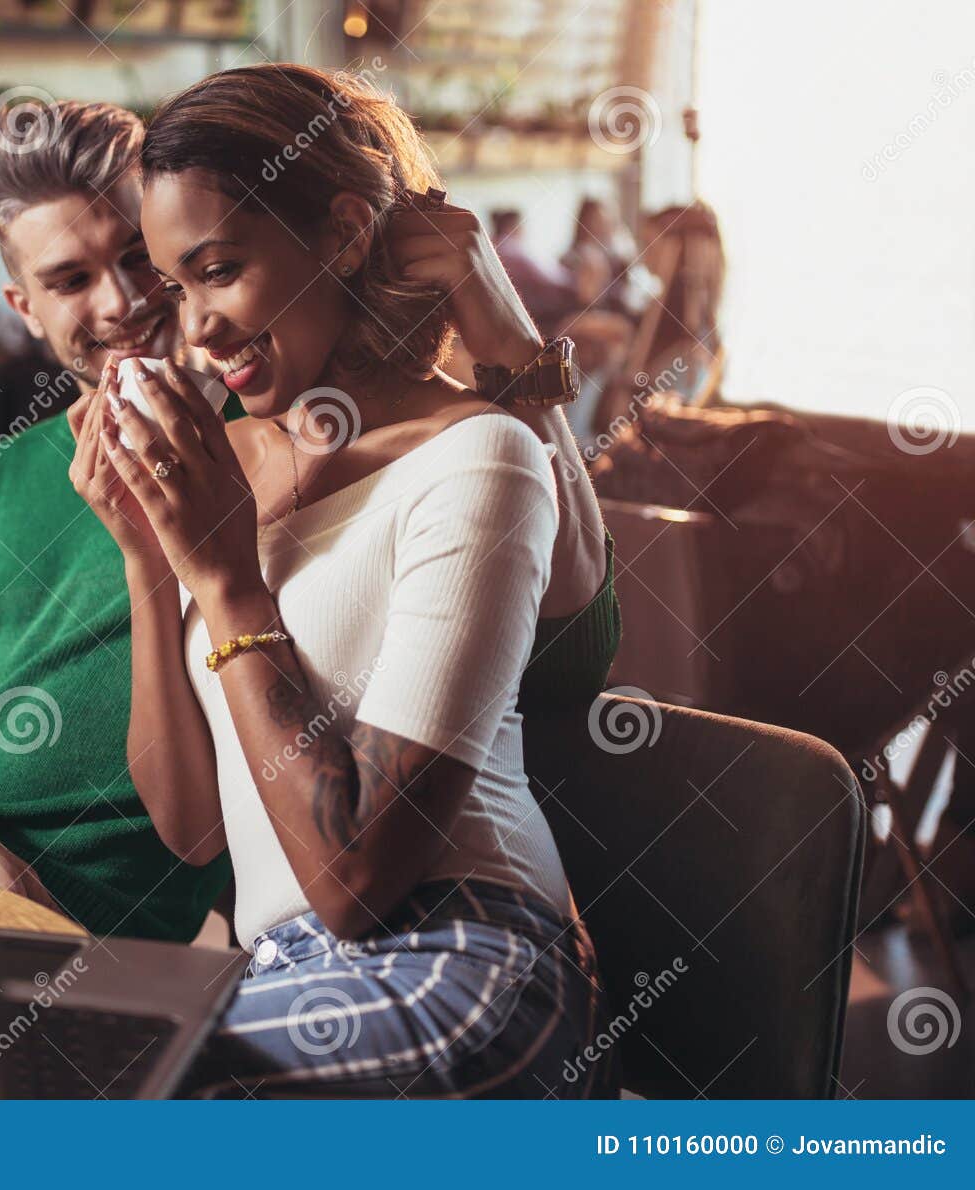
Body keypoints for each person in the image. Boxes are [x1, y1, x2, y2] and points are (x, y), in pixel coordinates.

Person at [0, 100, 620, 949]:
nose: (125, 303)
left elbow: (567, 660)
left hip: (132, 947)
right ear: (24, 308)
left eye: (145, 260)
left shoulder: (287, 445)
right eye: (69, 281)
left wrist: (506, 340)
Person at [69, 64, 612, 1095]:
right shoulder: (221, 469)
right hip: (275, 970)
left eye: (220, 269)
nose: (197, 330)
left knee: (139, 1097)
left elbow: (357, 877)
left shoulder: (476, 454)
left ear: (344, 232)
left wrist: (228, 584)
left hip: (465, 956)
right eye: (175, 287)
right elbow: (191, 829)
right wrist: (151, 560)